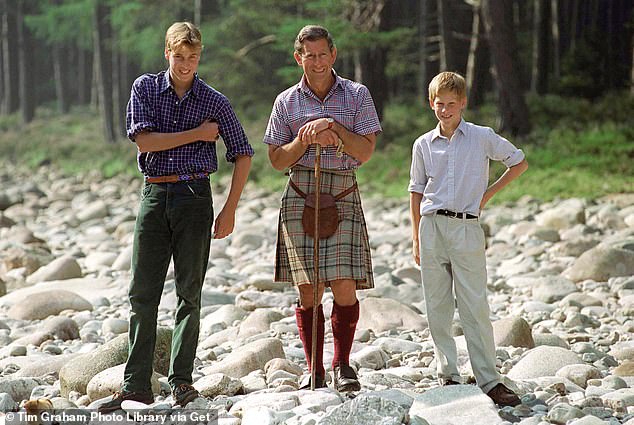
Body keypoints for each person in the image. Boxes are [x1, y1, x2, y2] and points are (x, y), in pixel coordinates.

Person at [98, 22, 253, 413]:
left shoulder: (214, 100)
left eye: (193, 57)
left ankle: (182, 383)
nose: (186, 64)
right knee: (142, 295)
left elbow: (243, 152)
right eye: (179, 56)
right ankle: (135, 387)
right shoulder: (145, 88)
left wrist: (230, 208)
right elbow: (144, 140)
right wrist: (198, 133)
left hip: (195, 197)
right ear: (167, 53)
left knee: (189, 295)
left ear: (200, 56)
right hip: (155, 193)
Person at [263, 25, 381, 391]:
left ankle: (342, 365)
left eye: (321, 54)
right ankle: (313, 368)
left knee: (344, 285)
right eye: (308, 55)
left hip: (343, 191)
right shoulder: (286, 102)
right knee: (308, 289)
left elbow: (364, 151)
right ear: (298, 58)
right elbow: (277, 160)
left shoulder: (358, 95)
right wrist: (305, 138)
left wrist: (333, 128)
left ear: (333, 54)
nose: (316, 62)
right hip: (301, 192)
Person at [409, 71, 528, 407]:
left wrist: (486, 196)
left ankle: (490, 379)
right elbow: (416, 191)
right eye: (439, 104)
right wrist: (416, 237)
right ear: (431, 104)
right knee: (437, 306)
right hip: (431, 228)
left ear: (463, 103)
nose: (445, 110)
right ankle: (447, 374)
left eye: (451, 104)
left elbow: (518, 162)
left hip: (466, 227)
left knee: (474, 305)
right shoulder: (423, 144)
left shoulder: (481, 137)